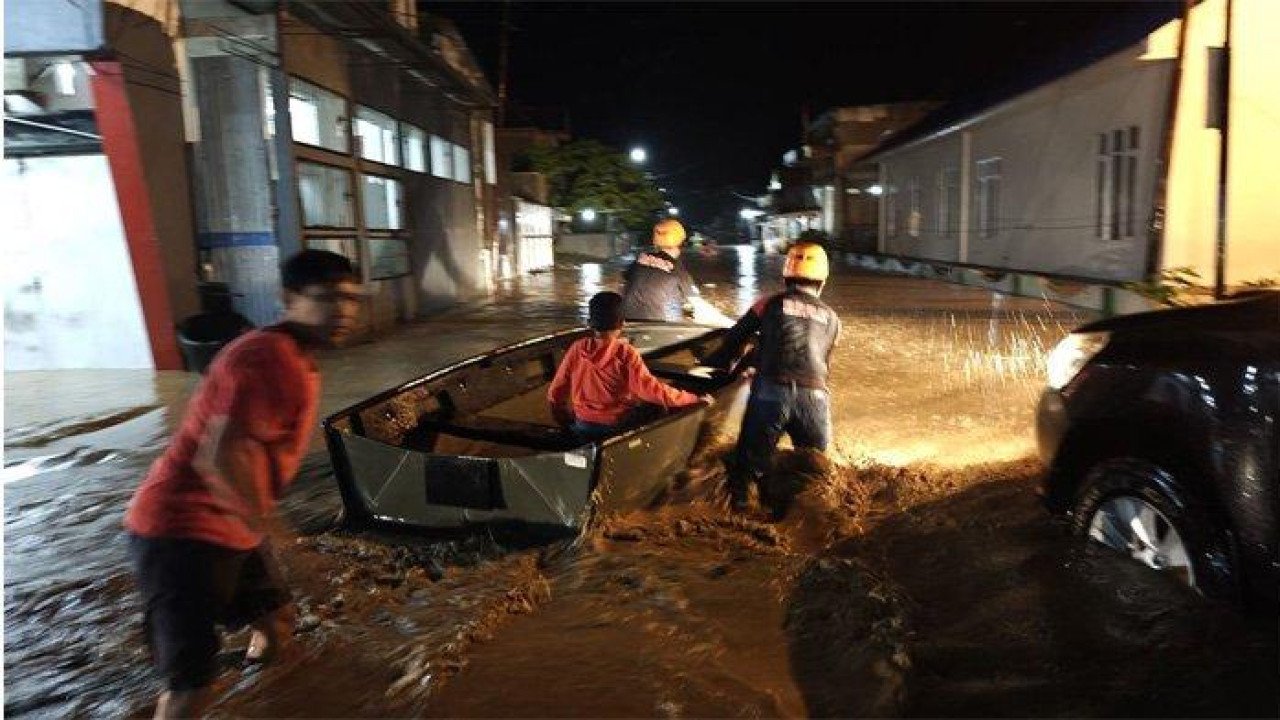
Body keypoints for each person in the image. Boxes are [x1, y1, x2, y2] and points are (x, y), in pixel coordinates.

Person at [124, 250, 362, 718]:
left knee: (276, 621)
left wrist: (260, 533)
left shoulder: (297, 357)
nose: (344, 311)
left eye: (352, 299)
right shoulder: (265, 357)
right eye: (328, 298)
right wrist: (280, 538)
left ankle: (259, 702)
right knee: (190, 683)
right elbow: (221, 456)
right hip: (180, 531)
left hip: (233, 524)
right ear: (289, 298)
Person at [705, 241, 841, 512]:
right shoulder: (833, 318)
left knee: (749, 466)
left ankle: (742, 513)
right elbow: (822, 363)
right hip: (815, 398)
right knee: (815, 473)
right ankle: (809, 518)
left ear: (786, 275)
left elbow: (732, 340)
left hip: (770, 393)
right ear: (822, 280)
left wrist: (713, 369)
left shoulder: (767, 304)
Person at [548, 291, 709, 442]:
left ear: (590, 323)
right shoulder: (625, 352)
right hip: (615, 427)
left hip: (582, 425)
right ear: (622, 323)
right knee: (657, 406)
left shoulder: (577, 348)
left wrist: (565, 421)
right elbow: (651, 391)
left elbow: (556, 392)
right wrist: (692, 399)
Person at [619, 218, 700, 322]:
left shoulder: (640, 259)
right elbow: (694, 301)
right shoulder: (678, 270)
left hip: (629, 322)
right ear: (681, 241)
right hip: (661, 326)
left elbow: (626, 278)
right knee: (684, 305)